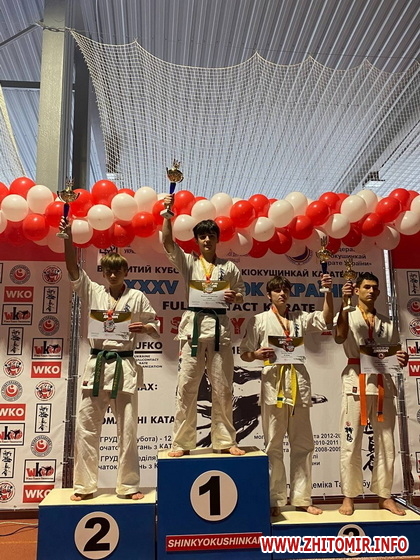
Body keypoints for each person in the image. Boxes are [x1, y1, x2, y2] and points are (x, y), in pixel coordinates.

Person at [62, 218, 160, 501]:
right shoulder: (93, 291)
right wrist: (68, 239)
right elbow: (72, 269)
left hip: (124, 366)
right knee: (86, 428)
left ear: (126, 271)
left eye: (118, 270)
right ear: (103, 272)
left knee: (127, 430)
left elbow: (155, 326)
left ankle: (128, 486)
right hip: (96, 366)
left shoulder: (137, 297)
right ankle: (84, 486)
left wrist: (144, 327)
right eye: (108, 270)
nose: (113, 274)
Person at [240, 274, 333, 517]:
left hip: (298, 385)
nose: (282, 293)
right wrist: (255, 355)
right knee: (273, 445)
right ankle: (275, 499)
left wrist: (327, 292)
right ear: (268, 295)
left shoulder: (299, 318)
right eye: (277, 290)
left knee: (303, 444)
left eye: (285, 290)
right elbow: (244, 353)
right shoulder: (258, 320)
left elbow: (326, 318)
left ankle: (302, 498)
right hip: (273, 386)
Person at [162, 195, 245, 457]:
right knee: (187, 387)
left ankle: (225, 440)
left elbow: (241, 294)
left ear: (217, 239)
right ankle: (182, 443)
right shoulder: (189, 263)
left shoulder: (229, 267)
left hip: (220, 330)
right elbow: (167, 243)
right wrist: (167, 216)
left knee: (223, 388)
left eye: (211, 236)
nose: (207, 240)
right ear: (197, 241)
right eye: (202, 236)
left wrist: (234, 296)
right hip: (193, 330)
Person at [335, 272, 408, 516]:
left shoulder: (387, 323)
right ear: (356, 290)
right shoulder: (347, 315)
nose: (371, 291)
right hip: (355, 381)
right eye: (366, 287)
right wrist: (343, 304)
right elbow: (339, 336)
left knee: (387, 443)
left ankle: (384, 495)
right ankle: (349, 496)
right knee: (351, 441)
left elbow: (395, 353)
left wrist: (401, 358)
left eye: (375, 288)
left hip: (382, 383)